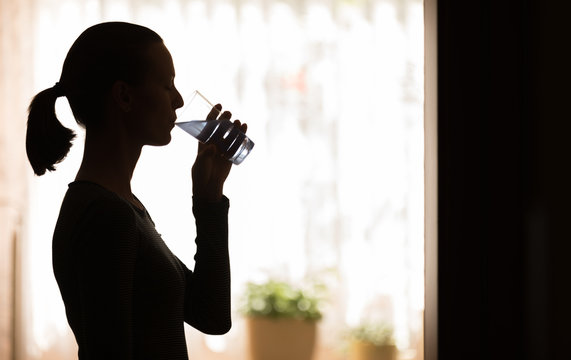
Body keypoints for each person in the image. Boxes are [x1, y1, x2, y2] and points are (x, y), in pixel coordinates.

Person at [25, 22, 246, 359]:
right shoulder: (105, 216)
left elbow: (211, 315)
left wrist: (209, 198)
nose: (178, 99)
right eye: (167, 84)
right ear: (124, 96)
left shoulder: (123, 207)